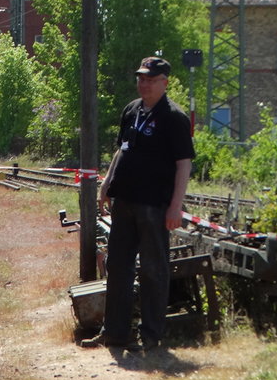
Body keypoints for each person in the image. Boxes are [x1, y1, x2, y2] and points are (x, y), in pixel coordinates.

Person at [83, 56, 194, 351]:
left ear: (164, 83)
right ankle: (116, 333)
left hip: (155, 205)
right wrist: (106, 184)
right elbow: (122, 150)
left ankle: (152, 336)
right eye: (141, 78)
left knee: (153, 270)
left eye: (150, 79)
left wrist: (175, 206)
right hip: (126, 201)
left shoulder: (174, 117)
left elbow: (184, 164)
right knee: (118, 266)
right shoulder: (131, 110)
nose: (144, 84)